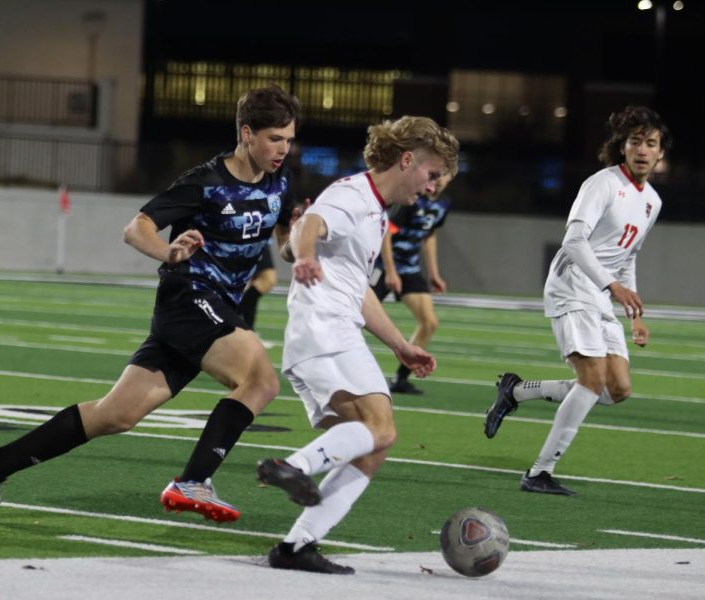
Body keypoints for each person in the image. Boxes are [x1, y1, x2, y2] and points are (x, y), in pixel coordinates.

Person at [0, 84, 301, 524]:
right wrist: (169, 252)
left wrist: (301, 236)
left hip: (208, 311)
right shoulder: (206, 183)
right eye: (275, 139)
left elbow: (287, 251)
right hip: (189, 299)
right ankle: (193, 480)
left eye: (289, 139)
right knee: (260, 379)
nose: (283, 149)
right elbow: (135, 229)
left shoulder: (280, 183)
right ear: (246, 133)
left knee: (115, 415)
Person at [256, 115, 459, 574]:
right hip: (326, 329)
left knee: (372, 444)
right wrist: (304, 254)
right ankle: (292, 466)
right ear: (407, 160)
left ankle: (296, 546)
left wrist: (400, 346)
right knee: (381, 429)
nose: (431, 189)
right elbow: (312, 224)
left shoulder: (374, 209)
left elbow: (359, 290)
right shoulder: (352, 196)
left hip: (330, 328)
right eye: (431, 175)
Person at [483, 105, 671, 496]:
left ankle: (516, 391)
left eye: (650, 143)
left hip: (602, 293)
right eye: (635, 141)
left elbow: (628, 255)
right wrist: (611, 286)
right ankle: (539, 473)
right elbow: (573, 240)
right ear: (623, 147)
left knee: (617, 389)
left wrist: (631, 310)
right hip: (573, 285)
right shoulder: (601, 184)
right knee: (591, 380)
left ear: (659, 154)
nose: (642, 149)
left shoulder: (652, 201)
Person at [370, 170, 455, 394]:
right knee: (353, 317)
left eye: (443, 176)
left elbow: (429, 235)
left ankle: (400, 378)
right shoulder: (411, 197)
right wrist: (390, 272)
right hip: (382, 266)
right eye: (434, 175)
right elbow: (387, 233)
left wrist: (434, 273)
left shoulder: (443, 203)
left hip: (410, 268)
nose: (436, 181)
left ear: (450, 178)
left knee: (429, 323)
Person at [237, 243, 278, 330]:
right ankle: (233, 317)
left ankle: (247, 326)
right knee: (267, 280)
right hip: (254, 240)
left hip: (262, 240)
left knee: (257, 283)